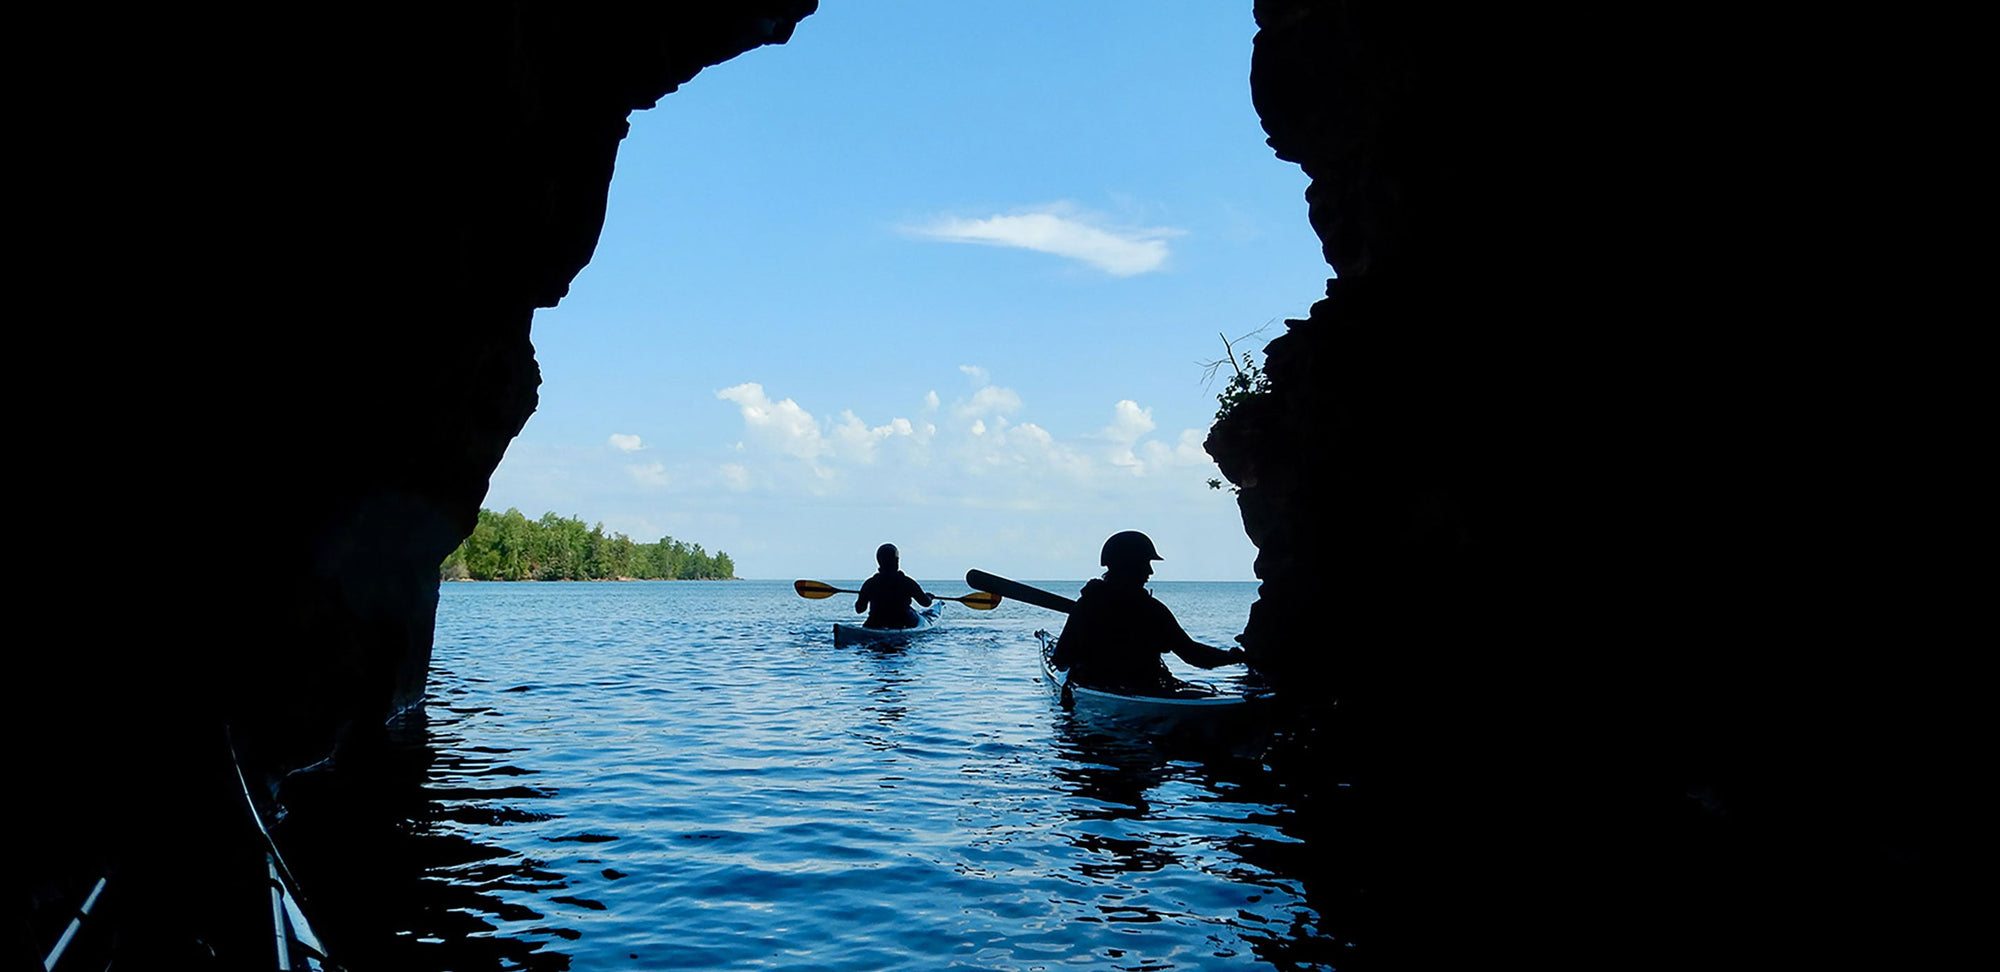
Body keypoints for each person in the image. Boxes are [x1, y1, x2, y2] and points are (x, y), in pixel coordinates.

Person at [1051, 530, 1247, 692]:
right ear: (1128, 567)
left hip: (1098, 688)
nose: (1150, 572)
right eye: (1145, 564)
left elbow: (1060, 659)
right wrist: (1234, 657)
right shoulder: (1152, 610)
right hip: (1145, 688)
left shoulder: (1086, 605)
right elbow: (1193, 655)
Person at [855, 543, 934, 629]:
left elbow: (859, 609)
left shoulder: (870, 583)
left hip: (875, 623)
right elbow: (925, 603)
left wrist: (863, 595)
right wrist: (929, 597)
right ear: (896, 561)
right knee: (914, 614)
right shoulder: (906, 582)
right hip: (903, 623)